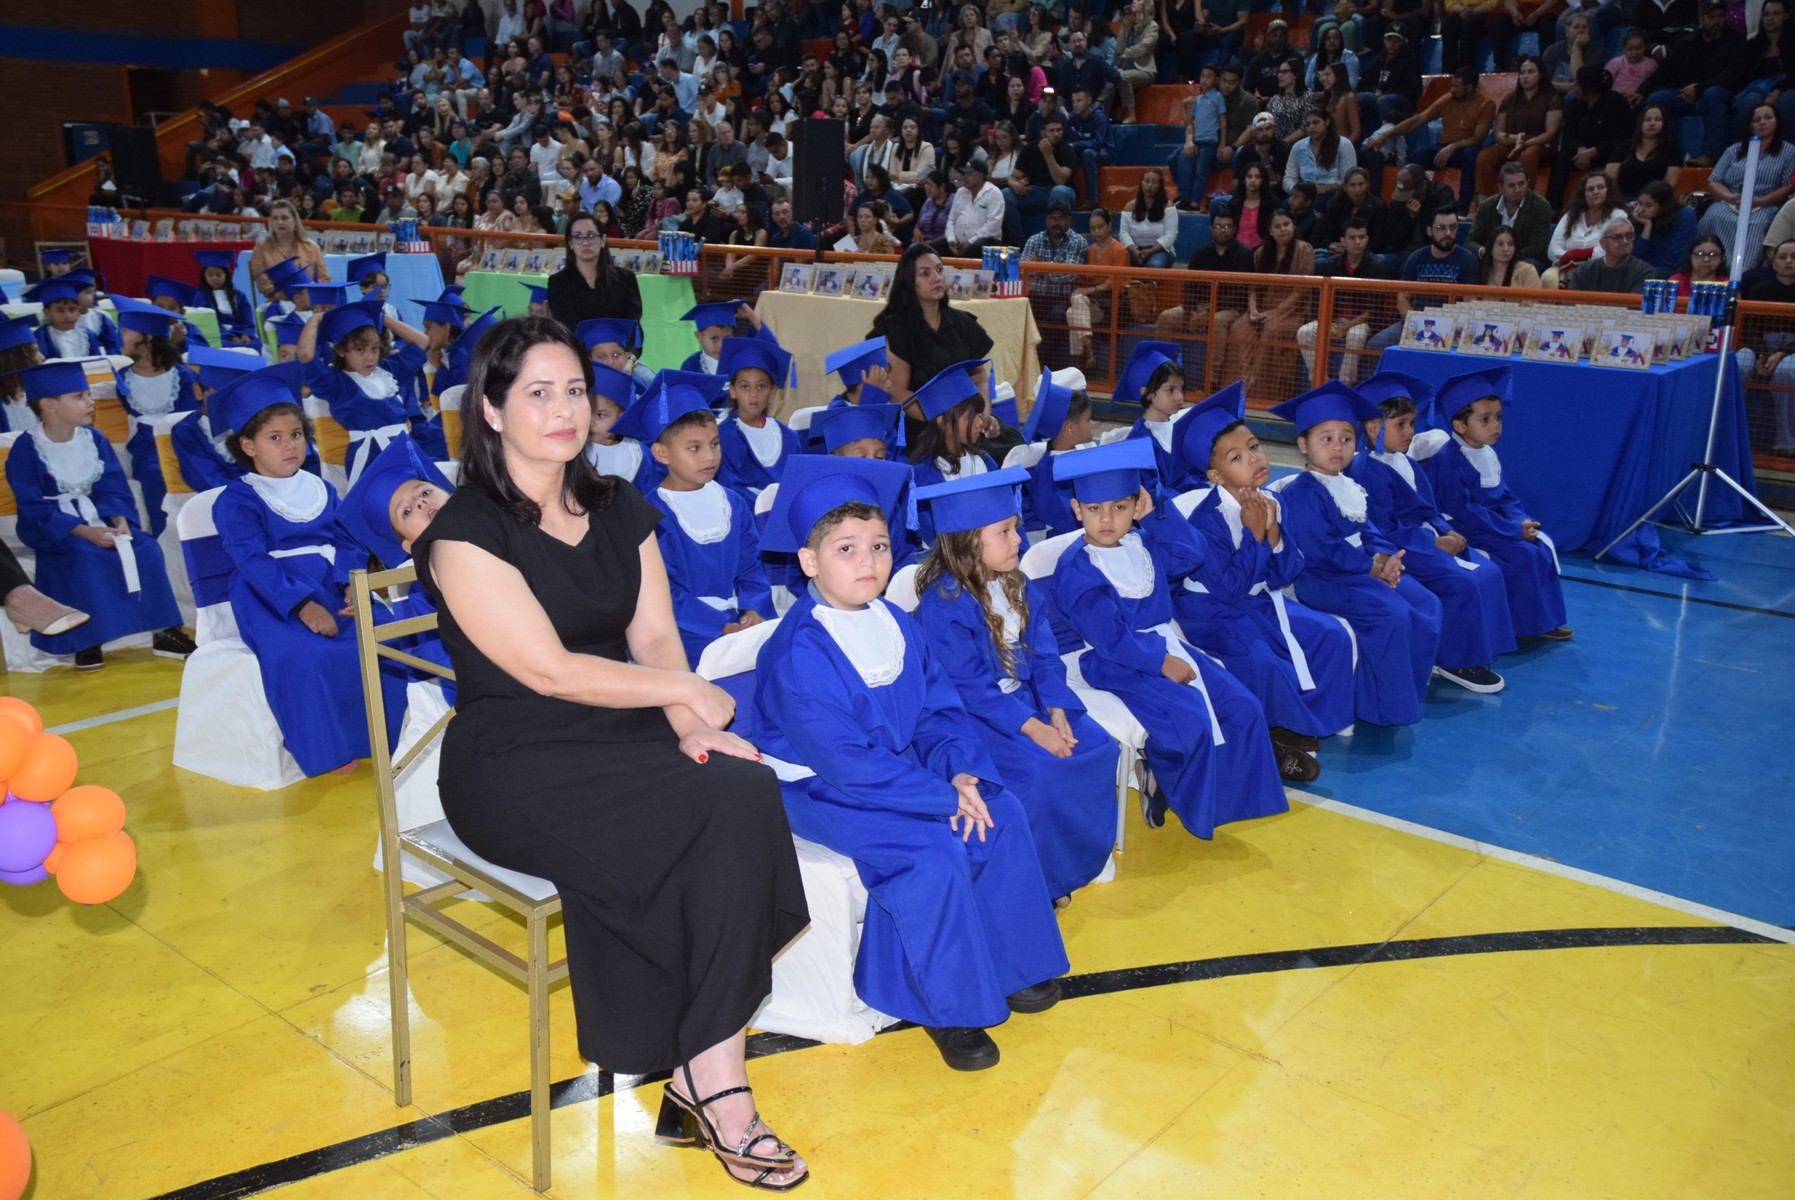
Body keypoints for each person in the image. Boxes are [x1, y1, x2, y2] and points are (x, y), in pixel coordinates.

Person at [410, 316, 809, 1186]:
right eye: (537, 393)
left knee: (737, 788)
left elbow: (658, 637)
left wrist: (693, 724)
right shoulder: (463, 533)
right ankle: (717, 1087)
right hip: (513, 760)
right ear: (490, 409)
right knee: (701, 817)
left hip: (619, 729)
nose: (563, 410)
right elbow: (549, 673)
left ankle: (704, 1069)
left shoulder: (618, 503)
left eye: (575, 391)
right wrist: (680, 695)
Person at [1044, 437, 1288, 835]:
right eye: (1094, 509)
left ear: (1134, 507)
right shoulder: (1077, 568)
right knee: (1189, 719)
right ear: (1077, 510)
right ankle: (1162, 775)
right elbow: (1111, 639)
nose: (1107, 519)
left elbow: (1192, 553)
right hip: (1113, 661)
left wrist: (1156, 507)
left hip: (1165, 645)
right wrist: (1160, 663)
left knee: (1243, 706)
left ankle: (1229, 803)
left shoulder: (1142, 543)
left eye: (1120, 507)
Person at [913, 468, 1121, 905]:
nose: (1018, 541)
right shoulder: (945, 603)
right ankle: (1042, 880)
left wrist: (1058, 711)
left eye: (1016, 529)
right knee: (1039, 775)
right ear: (969, 541)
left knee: (1098, 748)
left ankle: (1078, 856)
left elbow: (1045, 656)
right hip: (978, 717)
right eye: (1005, 532)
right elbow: (971, 688)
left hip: (1031, 700)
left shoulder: (1017, 585)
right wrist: (1035, 728)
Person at [209, 366, 402, 768]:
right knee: (306, 657)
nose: (289, 446)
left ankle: (391, 734)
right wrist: (301, 606)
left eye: (295, 435)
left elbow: (346, 540)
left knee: (384, 640)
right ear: (248, 445)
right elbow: (251, 559)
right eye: (274, 438)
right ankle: (332, 747)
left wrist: (351, 584)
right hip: (271, 596)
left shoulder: (320, 487)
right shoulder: (237, 499)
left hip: (330, 585)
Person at [1167, 384, 1355, 781]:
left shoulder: (1271, 499)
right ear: (1215, 475)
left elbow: (1286, 574)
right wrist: (1255, 536)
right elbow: (1229, 589)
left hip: (1258, 600)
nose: (1254, 459)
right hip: (1213, 611)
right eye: (1237, 457)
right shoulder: (1204, 520)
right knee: (1259, 658)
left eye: (1255, 447)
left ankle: (1315, 720)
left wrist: (1272, 535)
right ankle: (1278, 729)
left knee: (1329, 634)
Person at [1269, 381, 1442, 728]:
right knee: (1390, 613)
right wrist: (1370, 567)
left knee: (1425, 602)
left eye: (1346, 439)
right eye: (1326, 439)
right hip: (1322, 579)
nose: (1338, 448)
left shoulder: (1350, 485)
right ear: (1303, 444)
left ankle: (1405, 689)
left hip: (1358, 572)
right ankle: (1379, 705)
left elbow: (1369, 531)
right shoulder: (1304, 492)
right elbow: (1320, 550)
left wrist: (1387, 561)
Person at [4, 362, 189, 670]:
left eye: (87, 395)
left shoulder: (94, 439)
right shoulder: (27, 448)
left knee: (143, 547)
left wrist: (118, 521)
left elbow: (112, 484)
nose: (90, 403)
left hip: (99, 516)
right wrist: (84, 532)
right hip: (53, 526)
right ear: (49, 405)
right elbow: (32, 505)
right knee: (82, 556)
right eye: (79, 396)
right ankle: (85, 640)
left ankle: (166, 631)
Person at [1349, 372, 1516, 695]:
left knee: (1489, 572)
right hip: (1404, 547)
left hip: (1427, 537)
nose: (1411, 432)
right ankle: (1455, 661)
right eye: (1401, 424)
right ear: (1373, 427)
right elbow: (1386, 528)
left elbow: (1428, 508)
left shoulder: (1404, 462)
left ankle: (1479, 649)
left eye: (1412, 423)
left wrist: (1446, 528)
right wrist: (1434, 542)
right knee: (1462, 583)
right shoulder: (1366, 470)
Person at [609, 373, 773, 665]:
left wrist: (752, 610)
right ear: (661, 453)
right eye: (694, 448)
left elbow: (751, 567)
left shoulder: (733, 504)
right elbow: (665, 593)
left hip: (737, 623)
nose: (709, 456)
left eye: (714, 444)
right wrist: (721, 627)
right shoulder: (651, 514)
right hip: (683, 632)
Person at [298, 300, 441, 480]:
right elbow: (305, 355)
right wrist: (316, 320)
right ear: (341, 350)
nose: (370, 357)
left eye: (375, 349)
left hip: (405, 451)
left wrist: (382, 317)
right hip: (370, 459)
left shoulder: (388, 370)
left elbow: (423, 341)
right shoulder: (335, 382)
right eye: (360, 350)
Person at [112, 298, 202, 537]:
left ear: (147, 337)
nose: (120, 336)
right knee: (153, 473)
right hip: (145, 447)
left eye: (126, 331)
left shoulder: (182, 376)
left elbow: (188, 418)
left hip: (180, 442)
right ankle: (164, 539)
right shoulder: (123, 377)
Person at [870, 245, 995, 414]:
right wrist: (947, 423)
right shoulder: (897, 328)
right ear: (909, 281)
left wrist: (983, 417)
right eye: (925, 273)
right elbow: (897, 392)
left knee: (1014, 440)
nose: (937, 278)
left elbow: (980, 379)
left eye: (939, 270)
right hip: (924, 422)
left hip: (966, 419)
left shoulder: (962, 321)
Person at [1362, 66, 1493, 206]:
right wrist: (1386, 135)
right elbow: (1418, 120)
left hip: (1466, 148)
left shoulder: (1486, 104)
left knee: (1471, 155)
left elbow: (1478, 138)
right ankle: (1415, 201)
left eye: (1456, 87)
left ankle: (1463, 206)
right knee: (1418, 156)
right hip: (1443, 147)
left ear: (1469, 88)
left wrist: (1453, 147)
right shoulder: (1448, 99)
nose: (1452, 90)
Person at [1642, 0, 1745, 169]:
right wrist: (1641, 90)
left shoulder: (1736, 41)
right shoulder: (1688, 41)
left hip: (1721, 96)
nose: (1716, 21)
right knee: (1659, 98)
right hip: (1689, 96)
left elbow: (1732, 75)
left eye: (1720, 16)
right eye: (1711, 17)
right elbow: (1666, 69)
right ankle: (1668, 154)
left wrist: (1699, 89)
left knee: (1712, 94)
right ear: (1702, 18)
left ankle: (1711, 155)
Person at [907, 360, 1000, 545]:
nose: (980, 422)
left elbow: (1004, 510)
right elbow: (932, 537)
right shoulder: (922, 476)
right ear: (942, 421)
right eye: (969, 417)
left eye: (979, 414)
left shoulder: (986, 462)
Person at [1696, 104, 1795, 266]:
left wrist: (1760, 201)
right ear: (1750, 125)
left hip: (1765, 204)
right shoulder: (1734, 150)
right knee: (1712, 216)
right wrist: (1731, 198)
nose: (1763, 122)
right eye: (1757, 120)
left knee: (1757, 224)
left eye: (1768, 118)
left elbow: (1787, 186)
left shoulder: (1789, 152)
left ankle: (1744, 268)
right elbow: (1714, 181)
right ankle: (1708, 265)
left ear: (1777, 122)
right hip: (1731, 201)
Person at [1010, 366, 1094, 537]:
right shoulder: (1047, 474)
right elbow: (1066, 520)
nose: (1092, 424)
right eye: (1088, 419)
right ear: (1070, 428)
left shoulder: (1082, 456)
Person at [1300, 218, 1386, 384]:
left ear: (1367, 239)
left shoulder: (1377, 267)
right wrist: (1328, 324)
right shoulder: (1330, 265)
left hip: (1360, 322)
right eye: (1352, 238)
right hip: (1333, 319)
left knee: (1355, 335)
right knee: (1304, 332)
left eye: (1361, 237)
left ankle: (1345, 384)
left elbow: (1372, 311)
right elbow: (1321, 300)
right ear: (1343, 241)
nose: (1357, 242)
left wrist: (1345, 327)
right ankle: (1319, 382)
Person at [715, 338, 801, 496]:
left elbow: (797, 482)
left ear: (773, 391)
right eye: (745, 387)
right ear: (733, 391)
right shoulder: (721, 437)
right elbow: (730, 488)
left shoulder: (789, 437)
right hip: (745, 516)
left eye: (761, 386)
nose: (753, 395)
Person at [1473, 56, 1561, 203]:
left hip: (1539, 145)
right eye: (1522, 72)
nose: (1525, 76)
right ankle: (1485, 203)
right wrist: (1515, 139)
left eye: (1531, 72)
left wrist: (1526, 142)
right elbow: (1499, 133)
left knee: (1528, 154)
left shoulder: (1552, 98)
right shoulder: (1510, 98)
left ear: (1540, 75)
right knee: (1485, 156)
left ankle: (1526, 202)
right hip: (1511, 143)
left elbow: (1550, 133)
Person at [1736, 238, 1795, 453]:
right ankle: (1732, 433)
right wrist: (1760, 353)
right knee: (1737, 364)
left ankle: (1786, 441)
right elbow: (1749, 327)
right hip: (1760, 346)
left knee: (1787, 371)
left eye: (1794, 257)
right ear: (1774, 263)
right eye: (1782, 257)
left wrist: (1782, 353)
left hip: (1790, 351)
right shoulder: (1759, 289)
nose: (1788, 261)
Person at [545, 210, 644, 330]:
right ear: (570, 243)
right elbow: (567, 327)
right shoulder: (558, 282)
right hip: (578, 348)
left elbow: (633, 324)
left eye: (591, 236)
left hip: (619, 347)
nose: (585, 243)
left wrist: (628, 349)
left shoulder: (626, 278)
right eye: (578, 237)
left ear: (602, 240)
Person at [1067, 208, 1130, 369]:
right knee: (1073, 307)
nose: (1096, 231)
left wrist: (1089, 291)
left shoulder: (1119, 250)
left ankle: (1082, 359)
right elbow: (1087, 278)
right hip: (1091, 302)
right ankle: (1088, 352)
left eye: (1100, 227)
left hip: (1110, 303)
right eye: (1093, 228)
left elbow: (1115, 283)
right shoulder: (1092, 249)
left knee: (1074, 307)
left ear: (1109, 225)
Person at [1542, 171, 1629, 288]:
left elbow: (1612, 248)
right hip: (1565, 267)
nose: (1596, 192)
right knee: (1548, 277)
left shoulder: (1618, 216)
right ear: (1583, 194)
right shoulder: (1571, 215)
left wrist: (1574, 258)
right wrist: (1569, 262)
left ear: (1608, 191)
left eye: (1601, 187)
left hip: (1601, 268)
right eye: (1590, 189)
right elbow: (1553, 249)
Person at [1466, 160, 1554, 267]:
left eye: (1521, 184)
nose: (1517, 190)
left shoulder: (1540, 206)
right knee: (1471, 261)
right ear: (1500, 188)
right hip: (1491, 260)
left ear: (1528, 183)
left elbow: (1538, 247)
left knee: (1530, 264)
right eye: (1511, 185)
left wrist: (1506, 257)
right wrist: (1482, 251)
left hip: (1523, 260)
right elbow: (1470, 242)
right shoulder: (1488, 206)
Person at [248, 199, 329, 300]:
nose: (280, 222)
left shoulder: (312, 247)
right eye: (275, 218)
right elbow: (264, 283)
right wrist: (283, 299)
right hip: (278, 304)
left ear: (295, 221)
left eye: (285, 218)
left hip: (310, 301)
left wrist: (308, 298)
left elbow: (324, 278)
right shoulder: (261, 248)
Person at [1605, 103, 1683, 200]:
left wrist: (1648, 203)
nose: (1652, 123)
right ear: (1640, 123)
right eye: (1647, 120)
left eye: (1657, 119)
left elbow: (1669, 185)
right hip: (1624, 202)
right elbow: (1609, 182)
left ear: (1664, 123)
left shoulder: (1673, 149)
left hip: (1656, 202)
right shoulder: (1623, 148)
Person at [1566, 215, 1658, 293]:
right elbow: (1571, 304)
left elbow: (1634, 307)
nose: (1625, 241)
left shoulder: (1645, 272)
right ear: (1603, 244)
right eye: (1617, 237)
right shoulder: (1583, 270)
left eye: (1629, 236)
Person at [1118, 168, 1179, 269]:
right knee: (1118, 260)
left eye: (1154, 182)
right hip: (1134, 250)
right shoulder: (1129, 207)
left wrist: (1150, 252)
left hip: (1160, 251)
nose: (1149, 185)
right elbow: (1123, 234)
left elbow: (1170, 236)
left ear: (1160, 186)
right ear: (1141, 183)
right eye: (1146, 181)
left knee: (1154, 266)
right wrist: (1134, 251)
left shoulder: (1168, 207)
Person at [194, 249, 257, 344]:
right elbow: (206, 322)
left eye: (218, 274)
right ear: (204, 276)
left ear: (226, 275)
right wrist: (229, 336)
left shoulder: (239, 295)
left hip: (238, 332)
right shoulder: (202, 296)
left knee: (258, 345)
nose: (214, 278)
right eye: (210, 275)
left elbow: (247, 320)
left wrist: (246, 334)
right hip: (217, 334)